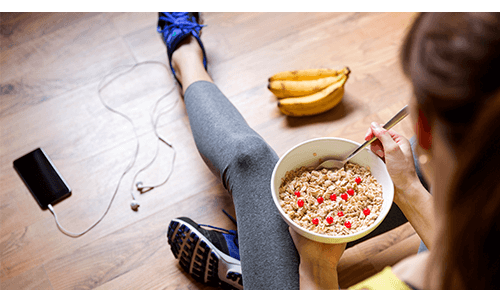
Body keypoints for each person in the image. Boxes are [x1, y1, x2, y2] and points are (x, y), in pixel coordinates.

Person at [159, 12, 500, 290]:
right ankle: (255, 252)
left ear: (422, 124)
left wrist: (315, 265)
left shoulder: (415, 278)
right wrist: (409, 188)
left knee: (250, 159)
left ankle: (186, 55)